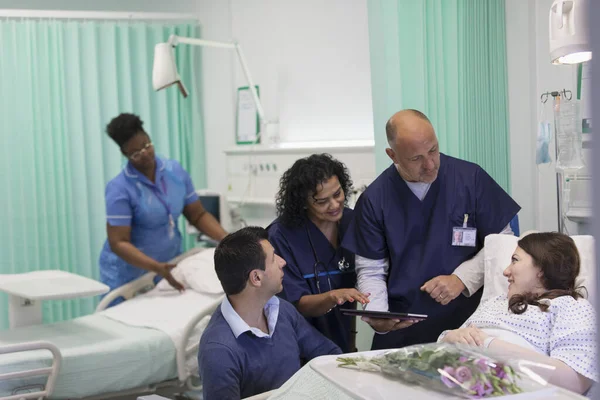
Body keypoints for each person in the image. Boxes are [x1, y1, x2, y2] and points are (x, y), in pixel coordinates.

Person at [342, 109, 520, 349]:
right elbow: (371, 270)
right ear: (392, 155)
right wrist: (377, 315)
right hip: (405, 329)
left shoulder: (470, 179)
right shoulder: (375, 199)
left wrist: (461, 279)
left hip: (469, 326)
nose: (429, 164)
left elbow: (504, 243)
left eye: (433, 150)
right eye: (416, 158)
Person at [439, 232, 597, 395]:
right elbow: (437, 352)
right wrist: (449, 338)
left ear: (542, 268)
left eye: (515, 260)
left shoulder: (571, 306)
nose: (506, 271)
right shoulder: (496, 302)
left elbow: (574, 382)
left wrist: (489, 345)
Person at [198, 227, 342, 400]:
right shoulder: (219, 351)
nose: (283, 262)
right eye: (274, 258)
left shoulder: (282, 310)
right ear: (256, 278)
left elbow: (329, 354)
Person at [99, 113, 227, 301]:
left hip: (168, 265)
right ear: (124, 154)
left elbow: (197, 215)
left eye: (146, 145)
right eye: (135, 153)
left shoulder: (174, 172)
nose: (145, 155)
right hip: (129, 275)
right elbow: (118, 242)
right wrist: (155, 267)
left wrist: (228, 239)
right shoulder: (120, 189)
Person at [267, 154, 369, 353]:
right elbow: (296, 304)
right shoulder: (281, 237)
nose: (334, 205)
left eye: (337, 194)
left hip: (343, 342)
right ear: (303, 203)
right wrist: (333, 296)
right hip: (299, 348)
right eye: (322, 201)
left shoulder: (352, 222)